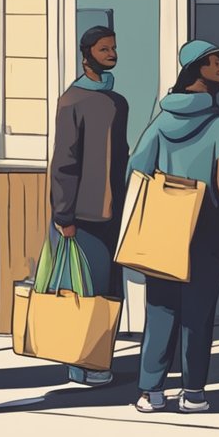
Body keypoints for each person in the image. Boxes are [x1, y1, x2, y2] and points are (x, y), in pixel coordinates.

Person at [128, 40, 219, 414]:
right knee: (198, 314)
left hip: (161, 228)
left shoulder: (160, 122)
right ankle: (193, 392)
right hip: (204, 230)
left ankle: (151, 390)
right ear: (196, 70)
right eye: (215, 62)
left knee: (160, 309)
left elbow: (136, 171)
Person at [50, 26, 130, 387]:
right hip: (84, 214)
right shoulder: (72, 101)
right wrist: (63, 214)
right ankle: (83, 362)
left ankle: (101, 358)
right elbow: (64, 162)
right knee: (88, 292)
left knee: (111, 290)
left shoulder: (118, 101)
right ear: (87, 55)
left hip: (116, 211)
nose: (111, 53)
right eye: (104, 49)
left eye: (113, 48)